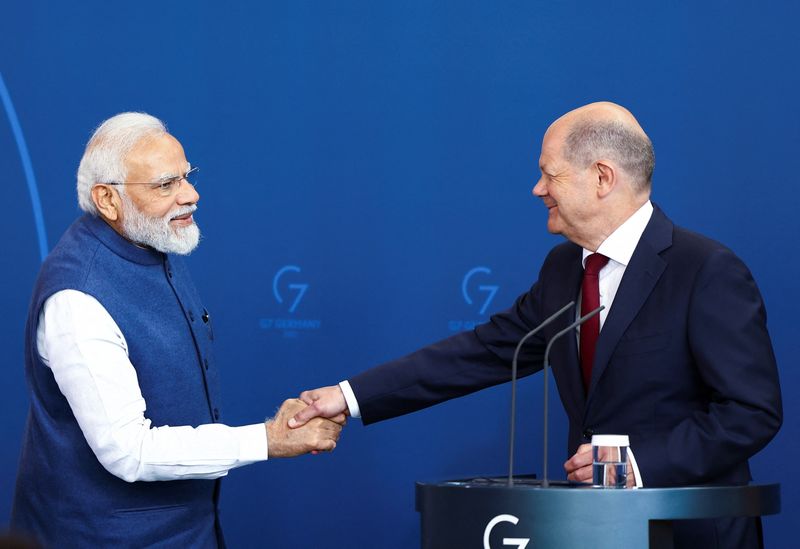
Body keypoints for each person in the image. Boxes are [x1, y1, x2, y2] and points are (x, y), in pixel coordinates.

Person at [289, 102, 783, 548]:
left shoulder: (705, 269)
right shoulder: (562, 269)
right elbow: (484, 352)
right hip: (592, 533)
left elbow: (751, 411)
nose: (538, 189)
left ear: (602, 177)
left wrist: (636, 465)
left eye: (550, 174)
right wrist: (347, 396)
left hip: (689, 533)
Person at [10, 112, 344, 548]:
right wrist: (269, 438)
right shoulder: (79, 298)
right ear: (108, 200)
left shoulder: (149, 241)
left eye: (187, 176)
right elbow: (130, 451)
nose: (191, 195)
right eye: (165, 185)